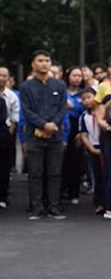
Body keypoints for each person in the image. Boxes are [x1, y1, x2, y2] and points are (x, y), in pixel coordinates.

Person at [19, 50, 68, 220]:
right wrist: (43, 125)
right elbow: (26, 111)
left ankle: (54, 206)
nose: (44, 64)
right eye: (40, 60)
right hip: (35, 136)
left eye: (47, 60)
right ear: (33, 64)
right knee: (35, 173)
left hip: (55, 135)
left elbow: (62, 108)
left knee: (55, 172)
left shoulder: (60, 85)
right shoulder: (26, 87)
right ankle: (37, 207)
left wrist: (52, 125)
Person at [61, 66, 86, 205]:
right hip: (64, 125)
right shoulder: (62, 91)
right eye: (74, 75)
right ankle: (61, 190)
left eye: (79, 76)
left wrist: (74, 106)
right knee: (62, 160)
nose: (76, 78)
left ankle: (74, 192)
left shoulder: (84, 93)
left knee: (76, 160)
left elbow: (87, 109)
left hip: (78, 126)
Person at [78, 88, 105, 214]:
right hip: (93, 147)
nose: (87, 101)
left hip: (107, 147)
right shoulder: (84, 116)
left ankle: (110, 201)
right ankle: (98, 203)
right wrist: (92, 149)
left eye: (89, 97)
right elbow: (83, 135)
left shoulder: (103, 111)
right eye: (84, 99)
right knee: (97, 176)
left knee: (108, 175)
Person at [0, 65, 20, 209]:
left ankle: (2, 196)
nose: (1, 78)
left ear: (8, 79)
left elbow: (14, 117)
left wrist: (9, 133)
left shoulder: (12, 95)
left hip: (4, 133)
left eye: (4, 76)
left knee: (4, 166)